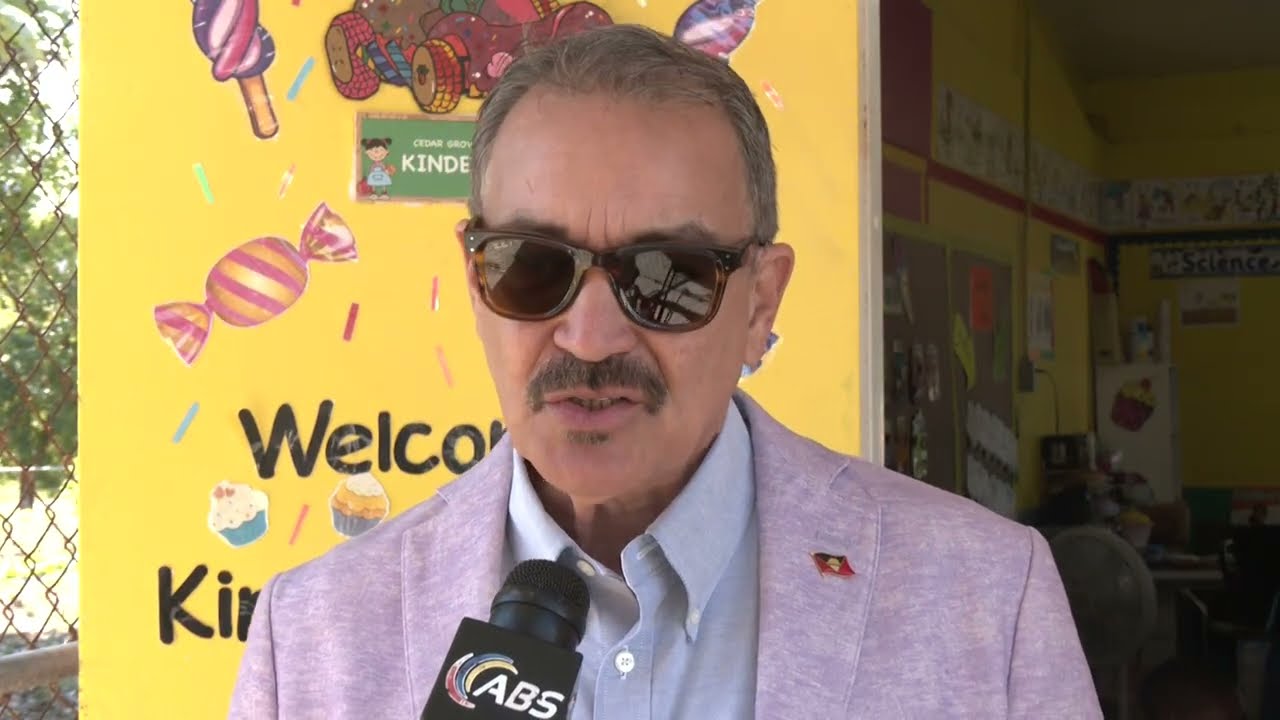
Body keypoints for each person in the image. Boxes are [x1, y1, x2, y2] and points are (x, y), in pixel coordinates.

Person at [229, 24, 1099, 719]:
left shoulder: (987, 601)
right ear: (475, 279)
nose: (589, 339)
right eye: (531, 265)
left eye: (666, 276)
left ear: (761, 302)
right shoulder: (312, 641)